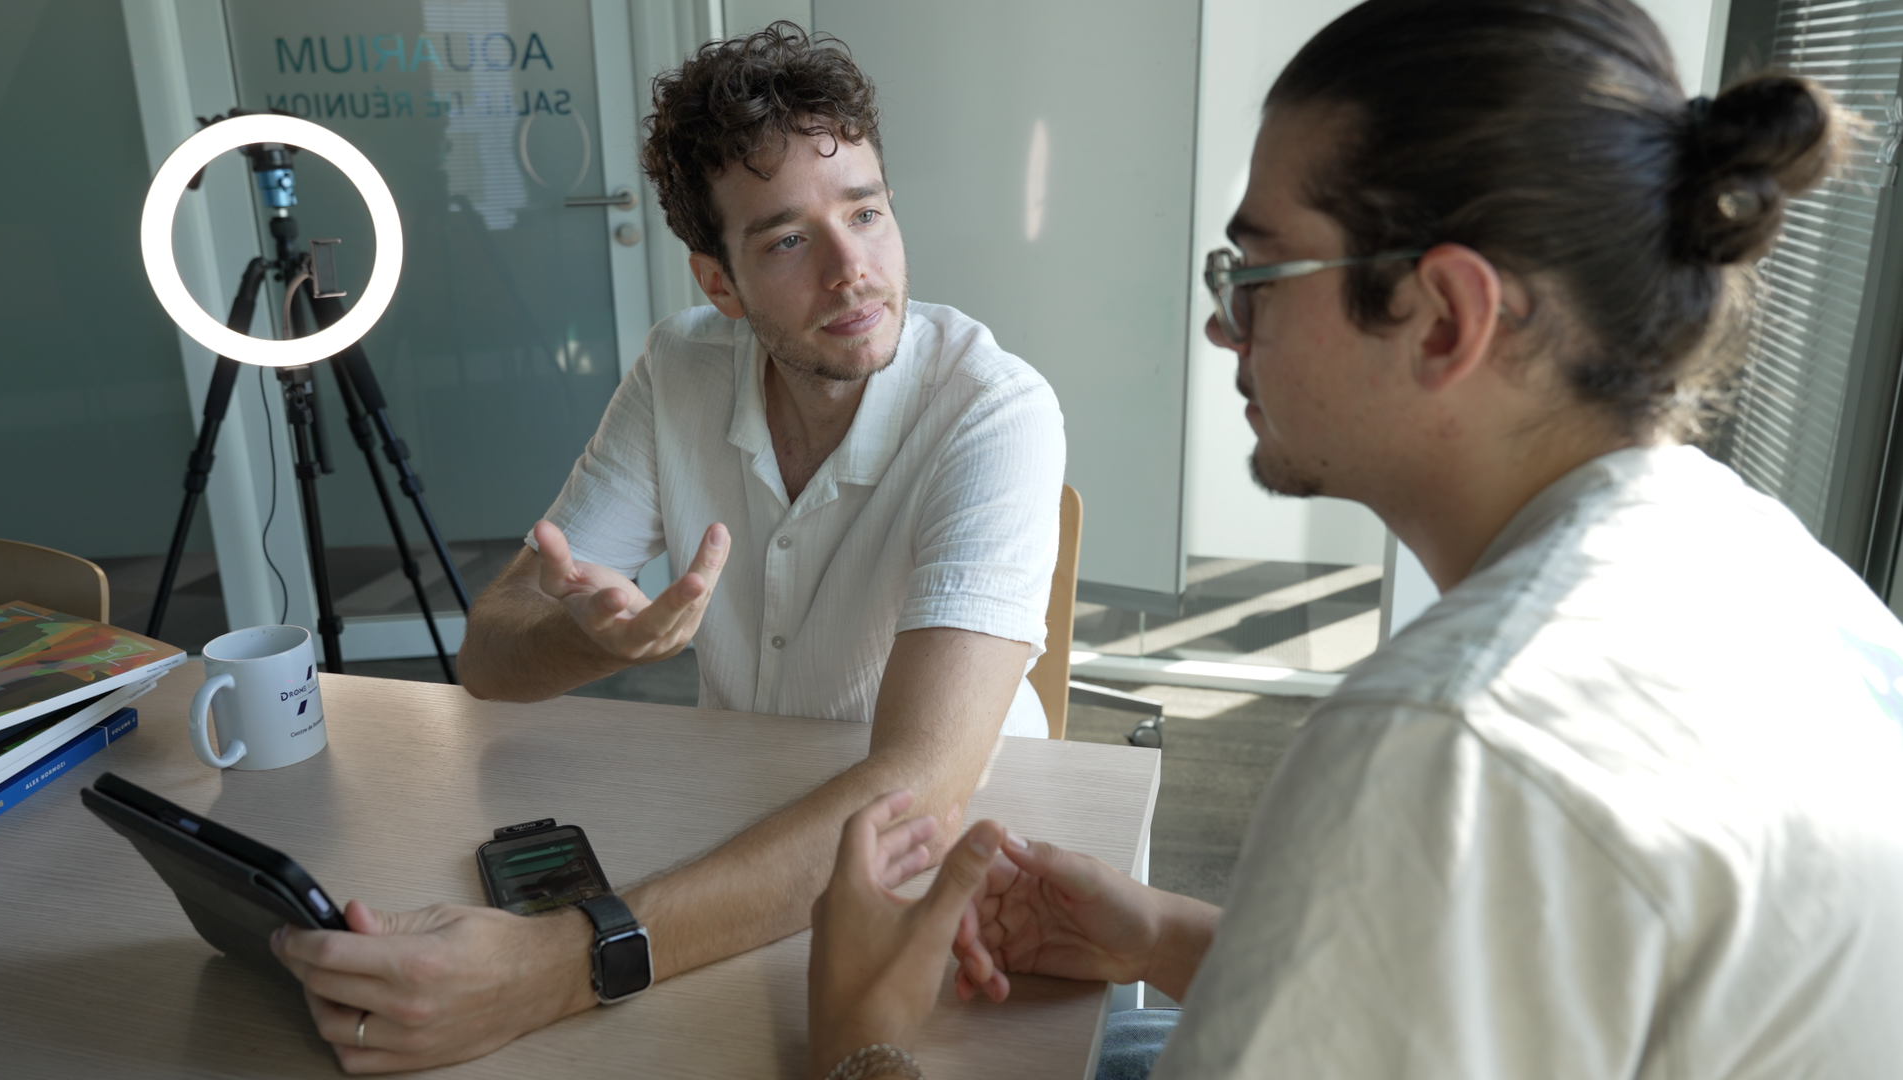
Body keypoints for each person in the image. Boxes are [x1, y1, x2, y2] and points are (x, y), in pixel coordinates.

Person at [807, 0, 1903, 1076]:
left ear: (1442, 317)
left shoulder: (1443, 741)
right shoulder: (1774, 564)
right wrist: (1152, 935)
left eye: (1255, 274)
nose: (1218, 323)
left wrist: (857, 1043)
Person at [269, 23, 1064, 1072]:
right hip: (747, 825)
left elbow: (914, 791)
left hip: (953, 872)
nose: (850, 269)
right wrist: (603, 644)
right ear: (718, 283)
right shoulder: (682, 367)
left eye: (866, 211)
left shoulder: (992, 410)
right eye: (786, 239)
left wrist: (559, 964)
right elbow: (492, 658)